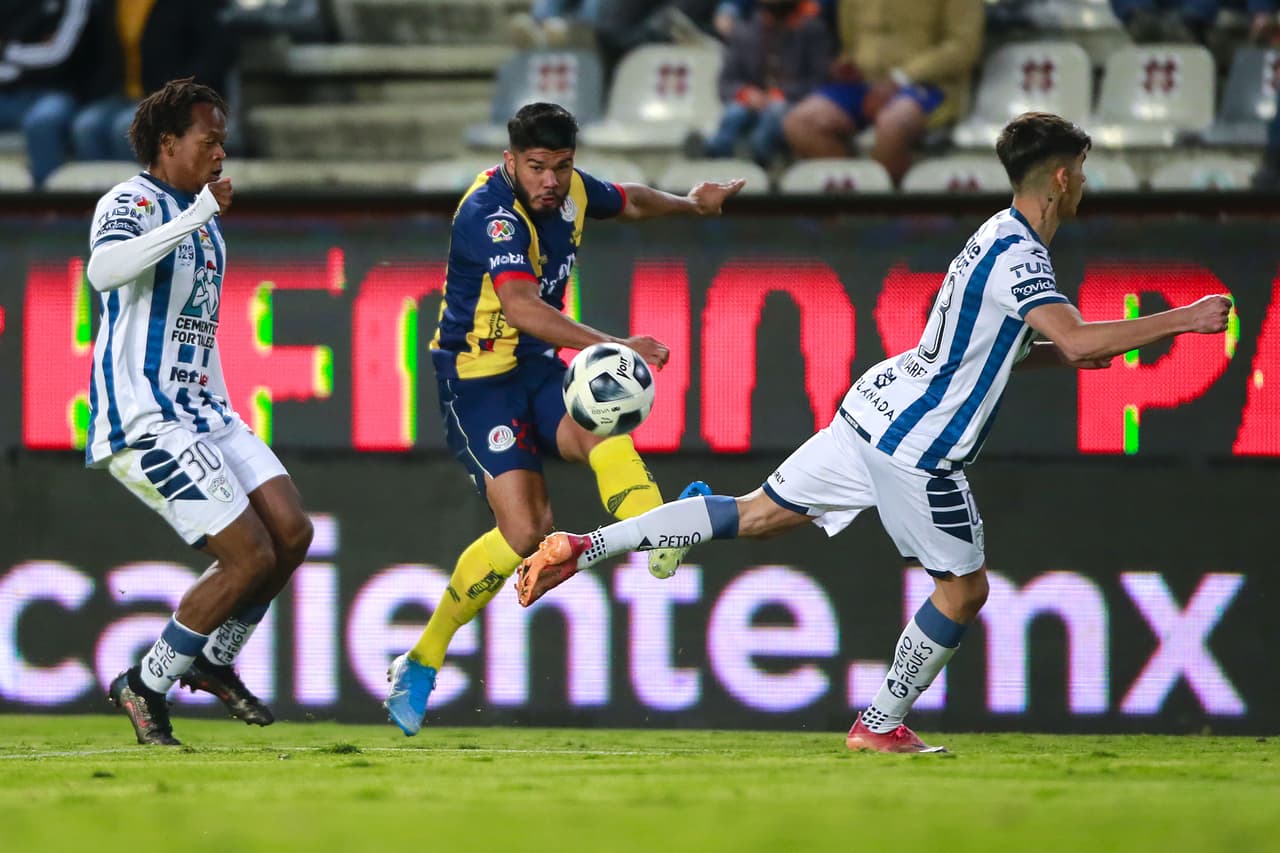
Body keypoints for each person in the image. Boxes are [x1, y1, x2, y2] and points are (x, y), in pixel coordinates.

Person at [517, 111, 1233, 753]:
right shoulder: (1022, 257)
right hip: (920, 448)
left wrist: (1082, 352)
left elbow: (995, 348)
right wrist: (1182, 317)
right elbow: (1076, 341)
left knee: (755, 513)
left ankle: (585, 545)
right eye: (1082, 172)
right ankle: (880, 722)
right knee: (965, 592)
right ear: (1063, 175)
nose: (1084, 184)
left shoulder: (994, 235)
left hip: (875, 406)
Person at [383, 101, 744, 737]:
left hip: (541, 368)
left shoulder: (570, 190)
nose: (550, 180)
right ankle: (421, 658)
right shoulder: (489, 213)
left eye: (562, 166)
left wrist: (691, 203)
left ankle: (661, 539)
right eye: (537, 167)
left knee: (601, 421)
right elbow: (520, 307)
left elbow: (626, 199)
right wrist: (617, 345)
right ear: (510, 161)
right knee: (527, 532)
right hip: (478, 382)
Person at [88, 78, 313, 746]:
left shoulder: (207, 229)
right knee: (246, 556)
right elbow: (105, 272)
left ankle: (213, 659)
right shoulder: (130, 200)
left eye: (222, 142)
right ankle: (147, 683)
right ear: (168, 143)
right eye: (208, 141)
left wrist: (221, 407)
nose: (221, 154)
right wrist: (193, 216)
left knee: (292, 533)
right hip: (143, 417)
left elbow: (196, 330)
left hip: (204, 409)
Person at [782, 0, 982, 184]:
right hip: (864, 84)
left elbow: (963, 47)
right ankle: (858, 199)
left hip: (930, 84)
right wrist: (847, 64)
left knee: (891, 126)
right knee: (800, 123)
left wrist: (901, 77)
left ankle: (891, 214)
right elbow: (851, 42)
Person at [71, 0, 235, 165]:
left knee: (125, 128)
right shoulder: (112, 5)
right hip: (123, 95)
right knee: (86, 126)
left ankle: (146, 188)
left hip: (176, 96)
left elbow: (216, 53)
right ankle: (102, 189)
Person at [703, 0, 832, 168]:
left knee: (775, 110)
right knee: (735, 112)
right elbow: (726, 83)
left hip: (791, 104)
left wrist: (782, 94)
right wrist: (746, 93)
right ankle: (712, 150)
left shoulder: (812, 30)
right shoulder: (744, 31)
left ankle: (757, 157)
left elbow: (819, 82)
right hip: (754, 104)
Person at [0, 0, 92, 186]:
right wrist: (30, 55)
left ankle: (47, 205)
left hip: (57, 90)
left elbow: (59, 54)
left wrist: (7, 51)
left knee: (42, 123)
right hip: (8, 91)